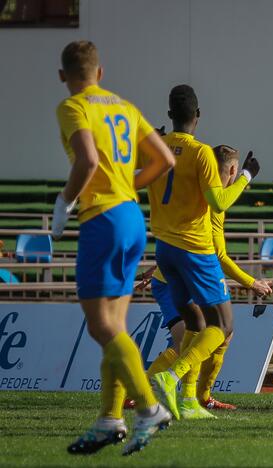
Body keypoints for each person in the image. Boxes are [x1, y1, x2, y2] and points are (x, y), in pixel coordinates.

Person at [55, 41, 176, 455]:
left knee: (100, 326)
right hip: (132, 218)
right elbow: (164, 160)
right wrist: (126, 186)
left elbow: (86, 161)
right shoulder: (124, 105)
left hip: (102, 220)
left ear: (62, 76)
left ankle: (149, 407)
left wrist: (64, 201)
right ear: (101, 72)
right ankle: (110, 418)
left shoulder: (74, 106)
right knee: (116, 328)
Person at [146, 85, 260, 420]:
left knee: (194, 322)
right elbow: (218, 201)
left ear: (170, 115)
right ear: (198, 116)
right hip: (193, 248)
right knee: (223, 325)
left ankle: (188, 401)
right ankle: (171, 376)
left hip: (164, 248)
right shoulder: (201, 154)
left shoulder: (158, 147)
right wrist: (247, 177)